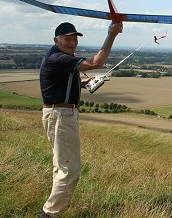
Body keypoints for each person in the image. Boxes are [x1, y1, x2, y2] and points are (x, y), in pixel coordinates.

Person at [39, 21, 122, 218]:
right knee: (70, 171)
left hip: (59, 114)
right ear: (56, 40)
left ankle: (51, 211)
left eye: (75, 38)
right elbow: (96, 63)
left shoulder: (59, 57)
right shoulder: (58, 58)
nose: (73, 42)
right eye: (68, 38)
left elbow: (63, 81)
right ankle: (49, 214)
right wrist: (112, 34)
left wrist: (83, 83)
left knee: (62, 166)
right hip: (61, 116)